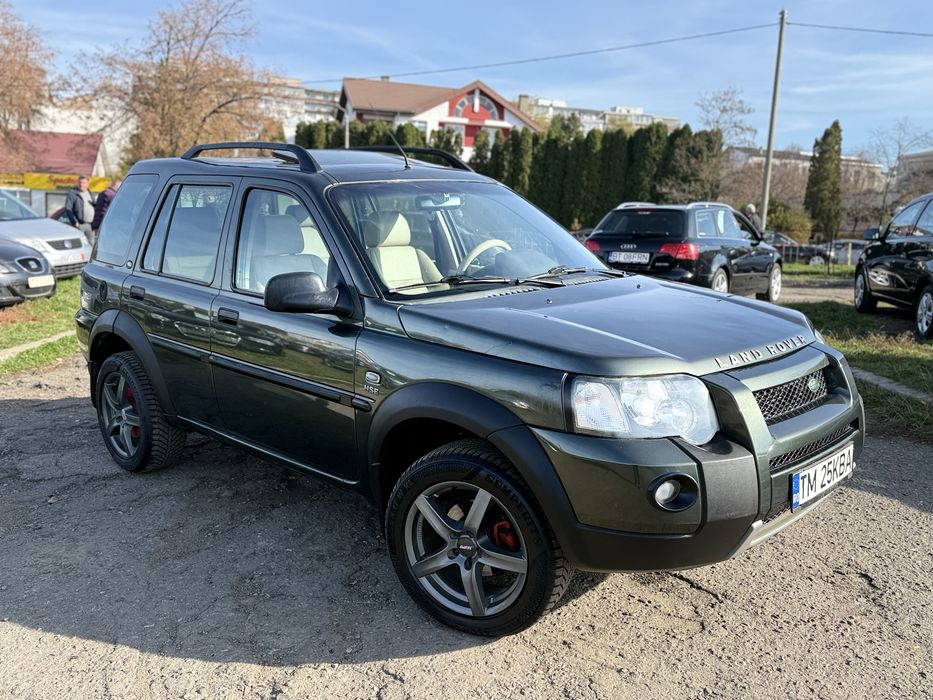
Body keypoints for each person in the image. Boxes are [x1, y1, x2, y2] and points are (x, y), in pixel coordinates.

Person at [63, 176, 96, 240]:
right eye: (80, 182)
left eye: (83, 183)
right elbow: (68, 208)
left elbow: (95, 207)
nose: (81, 184)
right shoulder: (72, 194)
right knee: (81, 247)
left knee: (91, 245)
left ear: (88, 184)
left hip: (91, 225)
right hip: (80, 225)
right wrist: (75, 223)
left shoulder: (91, 193)